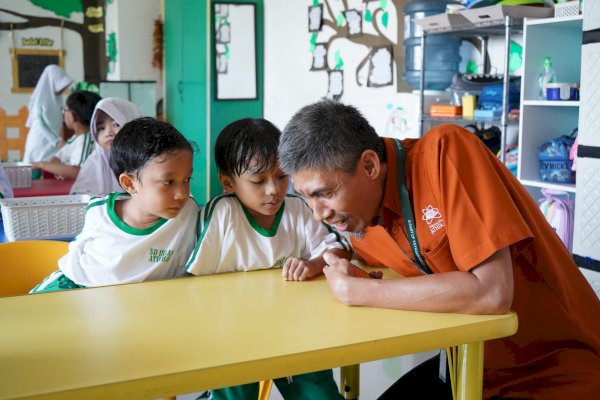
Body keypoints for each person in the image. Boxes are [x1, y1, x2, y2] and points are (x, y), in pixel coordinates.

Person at [278, 100, 600, 399]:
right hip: (468, 368)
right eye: (306, 197)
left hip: (555, 371)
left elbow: (492, 293)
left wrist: (358, 291)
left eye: (326, 194)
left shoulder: (446, 152)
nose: (319, 213)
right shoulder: (362, 218)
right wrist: (324, 261)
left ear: (370, 165)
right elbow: (357, 253)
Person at [186, 118, 352, 400]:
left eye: (281, 176)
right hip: (234, 335)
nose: (274, 189)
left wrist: (313, 265)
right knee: (234, 394)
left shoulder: (299, 209)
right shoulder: (222, 214)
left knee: (319, 394)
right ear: (227, 182)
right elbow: (193, 284)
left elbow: (339, 250)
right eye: (258, 181)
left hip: (294, 330)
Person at [31, 117, 200, 293]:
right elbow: (77, 250)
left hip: (127, 301)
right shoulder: (100, 213)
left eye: (187, 179)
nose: (182, 194)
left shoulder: (189, 212)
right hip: (77, 286)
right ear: (129, 184)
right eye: (168, 182)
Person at [70, 98, 142, 196]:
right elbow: (79, 196)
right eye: (101, 128)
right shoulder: (95, 161)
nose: (108, 133)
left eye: (116, 124)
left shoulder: (146, 159)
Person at [32, 90, 101, 179]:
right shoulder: (76, 138)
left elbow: (78, 172)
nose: (63, 113)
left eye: (65, 110)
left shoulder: (85, 140)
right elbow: (56, 158)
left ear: (72, 116)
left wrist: (42, 165)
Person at [23, 65, 73, 163]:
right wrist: (57, 141)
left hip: (52, 143)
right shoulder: (40, 100)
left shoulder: (56, 99)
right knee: (36, 172)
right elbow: (42, 125)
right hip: (40, 143)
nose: (63, 89)